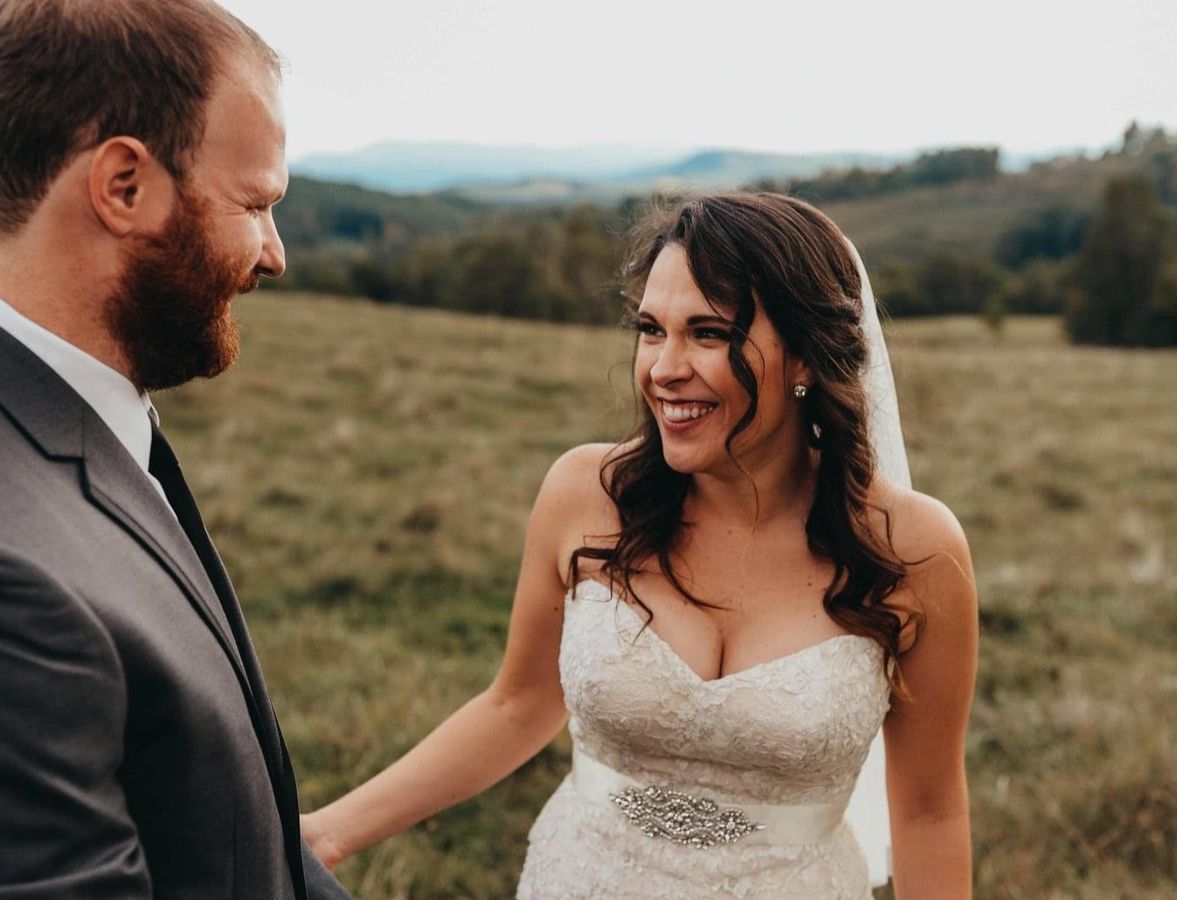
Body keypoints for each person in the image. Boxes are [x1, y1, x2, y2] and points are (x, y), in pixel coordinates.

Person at [303, 193, 979, 898]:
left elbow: (930, 809)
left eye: (709, 333)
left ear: (807, 355)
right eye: (652, 330)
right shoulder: (584, 494)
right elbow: (518, 704)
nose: (663, 368)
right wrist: (328, 834)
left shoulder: (915, 552)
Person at [0, 1, 349, 896]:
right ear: (123, 186)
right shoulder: (16, 581)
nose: (274, 256)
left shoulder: (88, 417)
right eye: (255, 204)